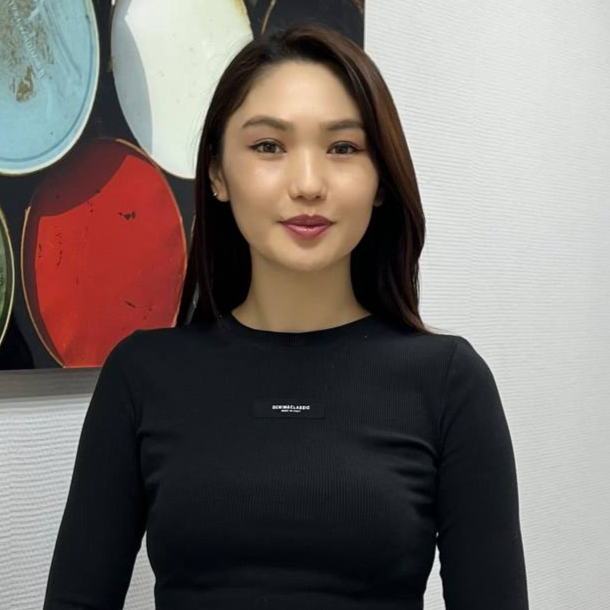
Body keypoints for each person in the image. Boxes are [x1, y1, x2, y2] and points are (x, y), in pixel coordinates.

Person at [43, 24, 529, 610]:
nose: (308, 184)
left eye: (343, 148)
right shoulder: (141, 376)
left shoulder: (449, 382)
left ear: (380, 180)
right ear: (217, 174)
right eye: (269, 146)